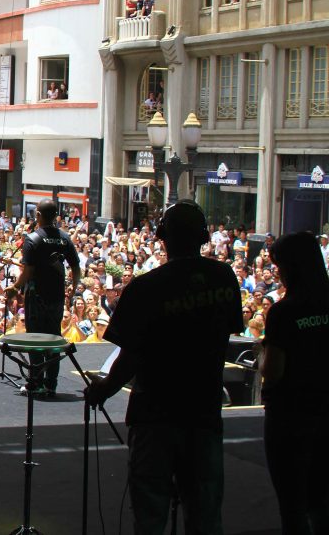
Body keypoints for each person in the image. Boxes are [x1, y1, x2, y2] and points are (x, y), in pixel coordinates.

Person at [86, 201, 240, 535]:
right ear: (202, 236)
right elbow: (225, 332)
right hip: (204, 412)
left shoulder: (146, 288)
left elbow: (131, 356)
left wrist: (103, 389)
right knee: (205, 512)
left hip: (156, 415)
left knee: (151, 511)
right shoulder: (224, 277)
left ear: (162, 238)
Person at [261, 232, 329, 534]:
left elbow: (273, 370)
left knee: (293, 502)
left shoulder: (284, 312)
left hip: (291, 417)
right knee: (323, 499)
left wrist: (260, 357)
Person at [11, 200, 79, 397]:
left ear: (38, 215)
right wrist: (73, 290)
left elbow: (28, 271)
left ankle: (36, 382)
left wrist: (15, 287)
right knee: (54, 338)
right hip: (56, 297)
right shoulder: (65, 239)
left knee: (36, 339)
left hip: (37, 296)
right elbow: (75, 267)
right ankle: (51, 384)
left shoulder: (32, 239)